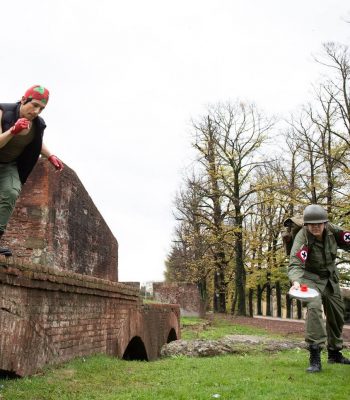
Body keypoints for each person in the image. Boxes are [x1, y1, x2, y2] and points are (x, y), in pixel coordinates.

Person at [0, 85, 63, 256]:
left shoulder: (37, 124)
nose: (37, 111)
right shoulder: (3, 112)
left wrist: (50, 156)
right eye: (34, 105)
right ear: (23, 100)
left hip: (8, 165)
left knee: (11, 192)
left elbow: (36, 142)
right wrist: (13, 130)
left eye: (41, 108)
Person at [288, 204, 350, 372]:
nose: (315, 227)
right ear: (307, 225)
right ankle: (315, 356)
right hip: (309, 279)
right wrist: (296, 281)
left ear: (325, 223)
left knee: (338, 313)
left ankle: (334, 353)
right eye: (311, 224)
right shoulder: (303, 237)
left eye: (319, 224)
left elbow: (348, 239)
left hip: (330, 278)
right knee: (314, 307)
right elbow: (295, 263)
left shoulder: (332, 230)